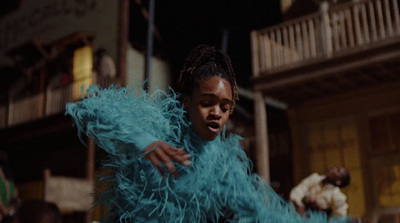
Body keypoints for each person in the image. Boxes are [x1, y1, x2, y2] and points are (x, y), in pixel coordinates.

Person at [66, 44, 350, 222]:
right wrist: (143, 141)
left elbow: (264, 214)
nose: (217, 112)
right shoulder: (156, 126)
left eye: (225, 107)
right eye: (207, 103)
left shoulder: (224, 166)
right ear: (187, 101)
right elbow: (91, 107)